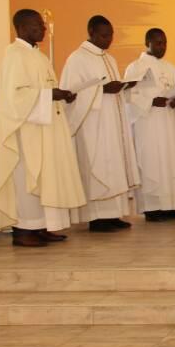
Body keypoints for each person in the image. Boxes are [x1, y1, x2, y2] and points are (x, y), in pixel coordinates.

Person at [0, 9, 86, 247]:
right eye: (37, 25)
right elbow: (14, 97)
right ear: (21, 27)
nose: (43, 29)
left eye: (42, 25)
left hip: (43, 127)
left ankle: (41, 226)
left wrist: (59, 95)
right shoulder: (14, 55)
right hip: (25, 131)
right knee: (27, 179)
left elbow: (42, 90)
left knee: (44, 178)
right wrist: (49, 94)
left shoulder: (38, 56)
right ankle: (23, 231)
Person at [60, 15, 140, 232]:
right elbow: (71, 93)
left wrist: (123, 87)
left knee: (113, 165)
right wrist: (102, 90)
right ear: (92, 33)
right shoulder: (77, 59)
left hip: (112, 122)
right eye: (104, 35)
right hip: (93, 124)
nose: (109, 39)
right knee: (99, 167)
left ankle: (113, 213)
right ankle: (97, 218)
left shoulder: (109, 59)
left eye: (111, 35)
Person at [124, 28, 175, 222]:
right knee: (152, 162)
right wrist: (151, 102)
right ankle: (152, 208)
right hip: (148, 123)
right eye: (158, 43)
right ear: (147, 43)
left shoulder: (171, 68)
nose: (162, 47)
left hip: (169, 122)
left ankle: (171, 206)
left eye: (165, 43)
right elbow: (128, 96)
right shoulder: (135, 68)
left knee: (171, 161)